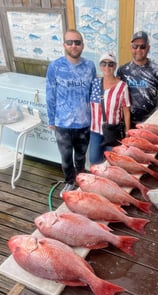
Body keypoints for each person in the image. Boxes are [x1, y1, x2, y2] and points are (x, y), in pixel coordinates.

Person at [46, 29, 96, 197]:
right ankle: (69, 182)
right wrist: (51, 119)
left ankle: (81, 180)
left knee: (81, 157)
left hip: (84, 122)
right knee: (66, 157)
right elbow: (50, 94)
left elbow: (93, 94)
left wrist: (94, 118)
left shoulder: (90, 66)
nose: (74, 45)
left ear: (82, 45)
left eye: (77, 42)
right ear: (64, 45)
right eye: (70, 42)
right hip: (62, 123)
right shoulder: (55, 66)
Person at [117, 31, 158, 128]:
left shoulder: (157, 70)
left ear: (148, 48)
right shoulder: (122, 71)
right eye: (135, 46)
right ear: (131, 48)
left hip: (149, 123)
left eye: (142, 46)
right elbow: (117, 97)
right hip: (126, 123)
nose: (138, 49)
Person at [89, 52, 130, 165]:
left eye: (111, 64)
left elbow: (126, 111)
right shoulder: (95, 83)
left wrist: (127, 132)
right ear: (100, 66)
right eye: (104, 63)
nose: (107, 67)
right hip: (95, 131)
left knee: (112, 162)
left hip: (113, 130)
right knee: (94, 161)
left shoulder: (122, 86)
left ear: (115, 66)